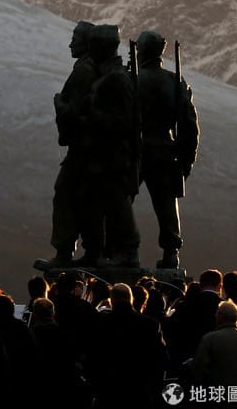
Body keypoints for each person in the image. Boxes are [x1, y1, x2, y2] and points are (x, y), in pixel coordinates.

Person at [135, 30, 199, 268]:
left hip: (137, 150)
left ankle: (119, 248)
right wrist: (186, 160)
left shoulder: (134, 79)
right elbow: (189, 125)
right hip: (165, 150)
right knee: (166, 205)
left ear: (143, 51)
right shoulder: (174, 81)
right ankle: (171, 253)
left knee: (120, 200)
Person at [82, 24, 140, 267]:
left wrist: (91, 113)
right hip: (102, 153)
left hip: (113, 155)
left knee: (117, 202)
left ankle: (128, 250)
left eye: (93, 45)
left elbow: (124, 122)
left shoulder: (116, 78)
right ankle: (99, 251)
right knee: (100, 203)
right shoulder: (107, 75)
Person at [44, 20, 98, 267]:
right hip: (88, 148)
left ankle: (64, 251)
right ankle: (89, 250)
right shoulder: (91, 68)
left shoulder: (84, 72)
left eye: (75, 38)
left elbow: (76, 110)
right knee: (84, 198)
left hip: (83, 148)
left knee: (66, 195)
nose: (70, 43)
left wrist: (59, 104)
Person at [85, 284, 167, 409]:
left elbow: (91, 357)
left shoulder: (101, 323)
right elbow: (161, 359)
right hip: (140, 391)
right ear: (131, 299)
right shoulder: (151, 325)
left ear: (112, 300)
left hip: (108, 391)